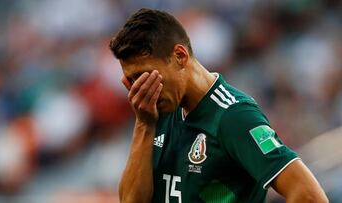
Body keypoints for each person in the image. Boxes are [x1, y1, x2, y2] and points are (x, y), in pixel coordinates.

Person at [109, 8, 328, 203]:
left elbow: (309, 195)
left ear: (179, 56)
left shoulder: (233, 115)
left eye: (143, 75)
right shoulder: (156, 112)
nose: (139, 88)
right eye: (132, 79)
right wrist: (144, 125)